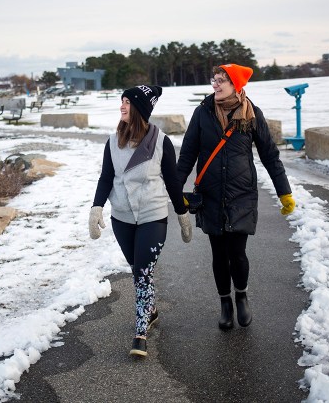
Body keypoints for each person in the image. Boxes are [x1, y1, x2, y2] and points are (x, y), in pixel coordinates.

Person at [176, 64, 296, 330]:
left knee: (237, 252)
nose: (215, 85)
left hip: (242, 194)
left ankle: (241, 295)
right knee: (218, 253)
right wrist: (174, 190)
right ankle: (225, 303)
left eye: (221, 80)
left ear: (236, 85)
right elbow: (187, 155)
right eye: (214, 80)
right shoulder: (202, 113)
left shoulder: (251, 114)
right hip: (210, 194)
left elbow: (269, 155)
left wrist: (284, 191)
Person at [89, 84, 192, 357]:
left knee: (144, 273)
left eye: (127, 102)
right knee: (138, 270)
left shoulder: (161, 143)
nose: (122, 106)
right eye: (121, 101)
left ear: (140, 109)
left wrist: (182, 215)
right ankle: (151, 310)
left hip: (152, 217)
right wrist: (96, 207)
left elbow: (172, 182)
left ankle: (140, 331)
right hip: (121, 218)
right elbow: (106, 178)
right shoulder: (113, 142)